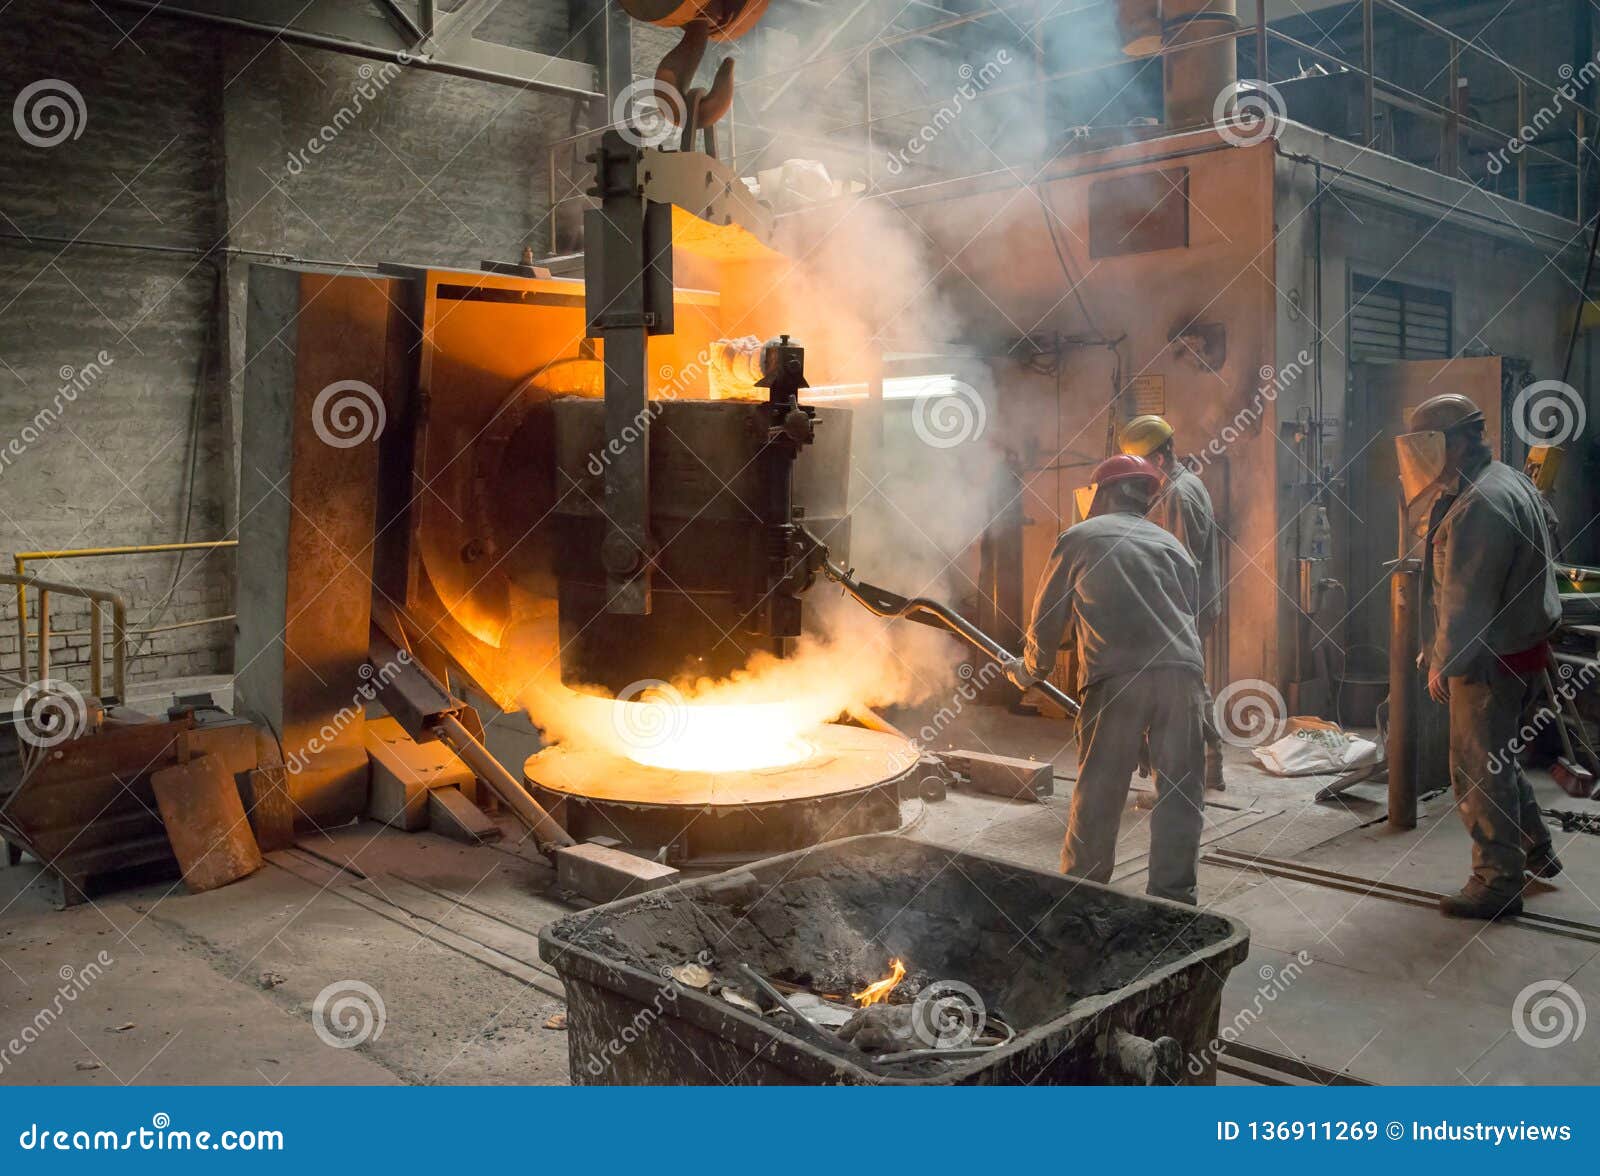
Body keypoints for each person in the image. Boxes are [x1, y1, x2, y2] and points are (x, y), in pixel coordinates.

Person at [1004, 454, 1208, 905]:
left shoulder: (1078, 538)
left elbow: (1046, 620)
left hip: (1117, 678)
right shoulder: (1172, 546)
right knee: (1180, 793)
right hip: (1184, 677)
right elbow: (1190, 618)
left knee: (1100, 790)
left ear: (1104, 493)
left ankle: (1082, 895)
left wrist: (1027, 672)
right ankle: (1174, 903)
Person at [1401, 392, 1563, 920]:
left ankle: (1497, 881)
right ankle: (1535, 850)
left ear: (1460, 441)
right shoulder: (1506, 480)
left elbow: (1466, 598)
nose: (1428, 458)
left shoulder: (1480, 504)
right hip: (1517, 649)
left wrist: (1445, 662)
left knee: (1476, 768)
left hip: (1489, 659)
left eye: (1434, 445)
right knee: (1500, 759)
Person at [1118, 415, 1226, 791]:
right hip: (1190, 606)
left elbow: (1183, 563)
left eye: (1142, 466)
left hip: (1185, 608)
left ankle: (1200, 764)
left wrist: (1163, 614)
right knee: (1192, 683)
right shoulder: (1183, 484)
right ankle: (1209, 761)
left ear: (1159, 460)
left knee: (1185, 687)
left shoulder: (1178, 494)